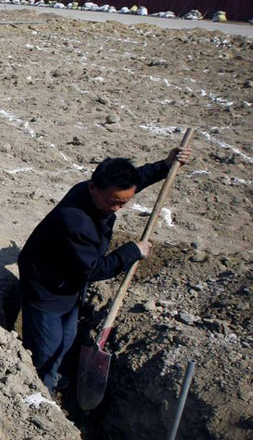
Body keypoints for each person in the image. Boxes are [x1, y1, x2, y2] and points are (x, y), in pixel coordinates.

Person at [17, 146, 192, 393]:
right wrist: (132, 251)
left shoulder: (102, 193)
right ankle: (38, 391)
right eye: (114, 202)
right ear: (93, 188)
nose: (118, 208)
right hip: (46, 288)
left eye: (125, 202)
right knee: (48, 346)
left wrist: (165, 165)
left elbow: (135, 180)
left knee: (67, 339)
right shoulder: (75, 221)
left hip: (69, 283)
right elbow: (94, 269)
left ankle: (52, 374)